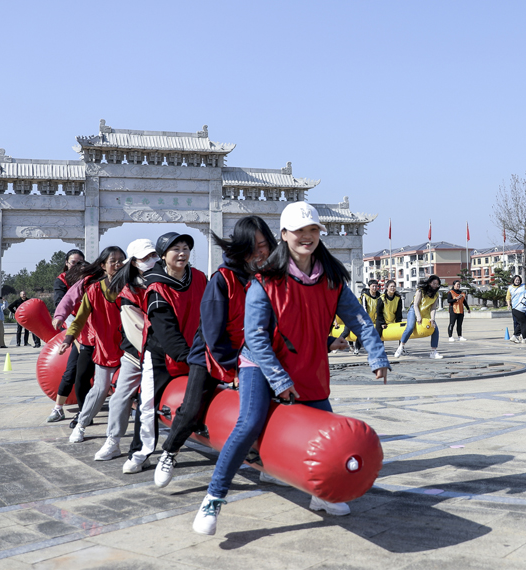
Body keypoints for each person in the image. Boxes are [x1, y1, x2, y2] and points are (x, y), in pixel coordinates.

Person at [192, 202, 389, 536]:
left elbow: (358, 317)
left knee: (325, 431)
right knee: (250, 422)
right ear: (284, 235)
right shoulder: (265, 281)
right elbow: (254, 338)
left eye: (313, 230)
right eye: (299, 231)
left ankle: (320, 496)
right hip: (261, 363)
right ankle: (213, 497)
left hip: (307, 364)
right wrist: (279, 379)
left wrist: (377, 355)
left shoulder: (331, 278)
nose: (307, 237)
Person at [153, 216, 278, 488]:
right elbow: (212, 332)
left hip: (254, 354)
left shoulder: (270, 279)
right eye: (254, 245)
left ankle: (267, 462)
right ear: (241, 247)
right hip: (212, 354)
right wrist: (234, 368)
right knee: (191, 407)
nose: (261, 251)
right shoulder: (222, 280)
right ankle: (170, 451)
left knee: (268, 407)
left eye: (265, 244)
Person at [123, 232, 207, 475]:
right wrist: (191, 357)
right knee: (147, 403)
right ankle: (140, 453)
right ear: (163, 255)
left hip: (195, 350)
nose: (182, 253)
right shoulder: (157, 287)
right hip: (161, 353)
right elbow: (165, 332)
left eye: (186, 248)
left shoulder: (200, 278)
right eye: (175, 249)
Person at [94, 239, 158, 461]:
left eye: (153, 255)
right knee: (120, 396)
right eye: (144, 258)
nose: (151, 261)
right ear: (134, 262)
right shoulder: (128, 290)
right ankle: (113, 441)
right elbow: (136, 330)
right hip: (138, 353)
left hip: (172, 350)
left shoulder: (168, 279)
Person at [59, 246, 127, 444]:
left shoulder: (131, 287)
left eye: (121, 260)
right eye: (113, 261)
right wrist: (67, 339)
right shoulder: (94, 290)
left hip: (129, 352)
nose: (117, 264)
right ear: (103, 265)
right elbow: (79, 319)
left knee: (125, 393)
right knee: (99, 390)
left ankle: (114, 439)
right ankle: (81, 424)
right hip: (105, 350)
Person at [50, 249, 114, 428]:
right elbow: (66, 302)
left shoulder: (116, 282)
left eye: (119, 261)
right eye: (73, 263)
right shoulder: (81, 284)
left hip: (112, 340)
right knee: (79, 375)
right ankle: (78, 411)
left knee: (114, 379)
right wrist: (61, 319)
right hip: (86, 338)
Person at [393, 275, 443, 359]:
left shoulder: (436, 294)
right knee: (410, 327)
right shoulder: (420, 291)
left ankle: (433, 352)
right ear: (429, 283)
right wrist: (418, 317)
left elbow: (433, 308)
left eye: (437, 284)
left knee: (435, 329)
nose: (435, 286)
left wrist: (432, 319)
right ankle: (401, 347)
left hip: (426, 311)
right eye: (434, 283)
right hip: (415, 309)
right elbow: (415, 305)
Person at [354, 281, 382, 354]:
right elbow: (364, 308)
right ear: (369, 287)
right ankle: (357, 348)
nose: (375, 288)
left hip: (376, 318)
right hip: (366, 318)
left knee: (379, 333)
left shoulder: (380, 296)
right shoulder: (365, 296)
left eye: (376, 286)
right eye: (373, 286)